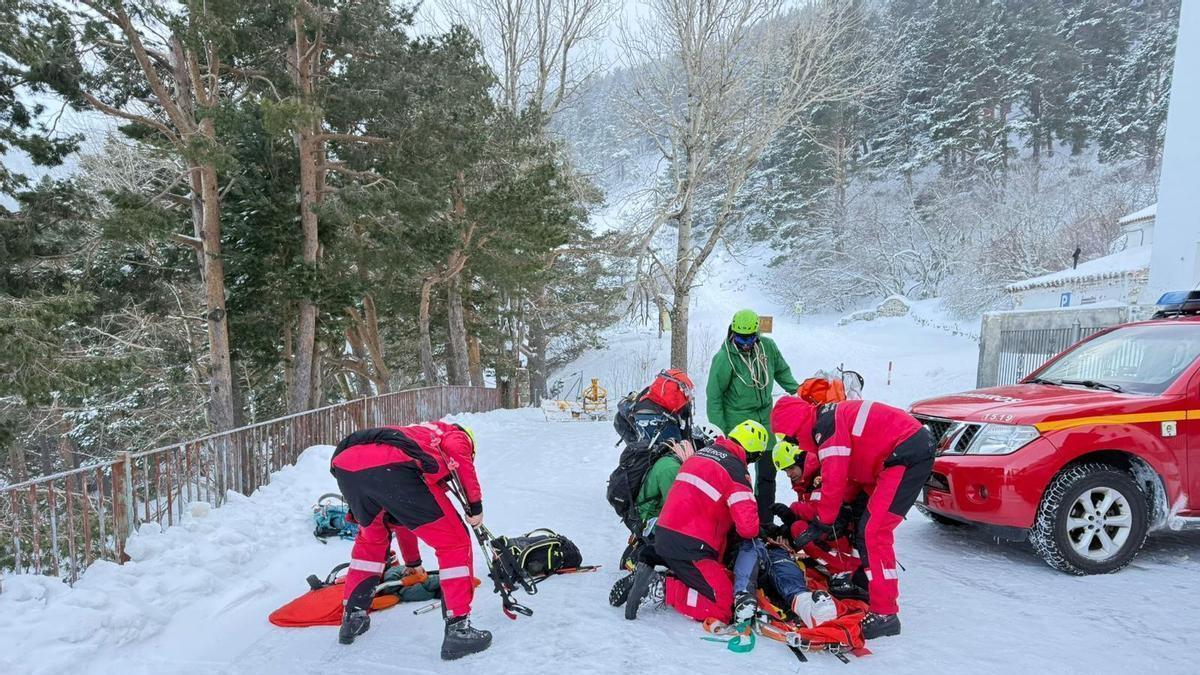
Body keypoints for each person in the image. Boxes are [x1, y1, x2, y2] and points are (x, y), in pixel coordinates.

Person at [770, 396, 935, 640]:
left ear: (796, 426)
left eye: (791, 437)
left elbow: (835, 480)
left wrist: (823, 519)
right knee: (863, 524)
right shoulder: (828, 419)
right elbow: (846, 480)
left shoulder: (826, 430)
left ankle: (885, 613)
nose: (796, 443)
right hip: (893, 456)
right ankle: (864, 581)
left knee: (874, 531)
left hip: (902, 456)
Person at [329, 422, 492, 660]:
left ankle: (353, 618)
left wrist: (413, 562)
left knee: (371, 541)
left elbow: (405, 517)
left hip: (346, 464)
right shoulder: (454, 434)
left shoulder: (418, 434)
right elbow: (457, 452)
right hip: (395, 467)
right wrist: (475, 505)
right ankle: (459, 629)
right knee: (454, 542)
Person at [624, 419, 768, 623]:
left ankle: (656, 571)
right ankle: (662, 588)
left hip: (664, 535)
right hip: (693, 546)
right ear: (753, 453)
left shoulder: (698, 456)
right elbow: (747, 528)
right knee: (723, 605)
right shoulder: (736, 471)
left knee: (702, 576)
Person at [706, 309, 800, 523]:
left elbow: (782, 372)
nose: (746, 343)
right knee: (737, 476)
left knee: (768, 475)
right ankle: (733, 521)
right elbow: (714, 397)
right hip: (737, 426)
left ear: (758, 333)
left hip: (765, 422)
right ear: (732, 332)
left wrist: (800, 391)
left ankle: (764, 521)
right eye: (741, 338)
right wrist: (721, 433)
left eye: (751, 337)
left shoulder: (768, 348)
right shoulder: (724, 358)